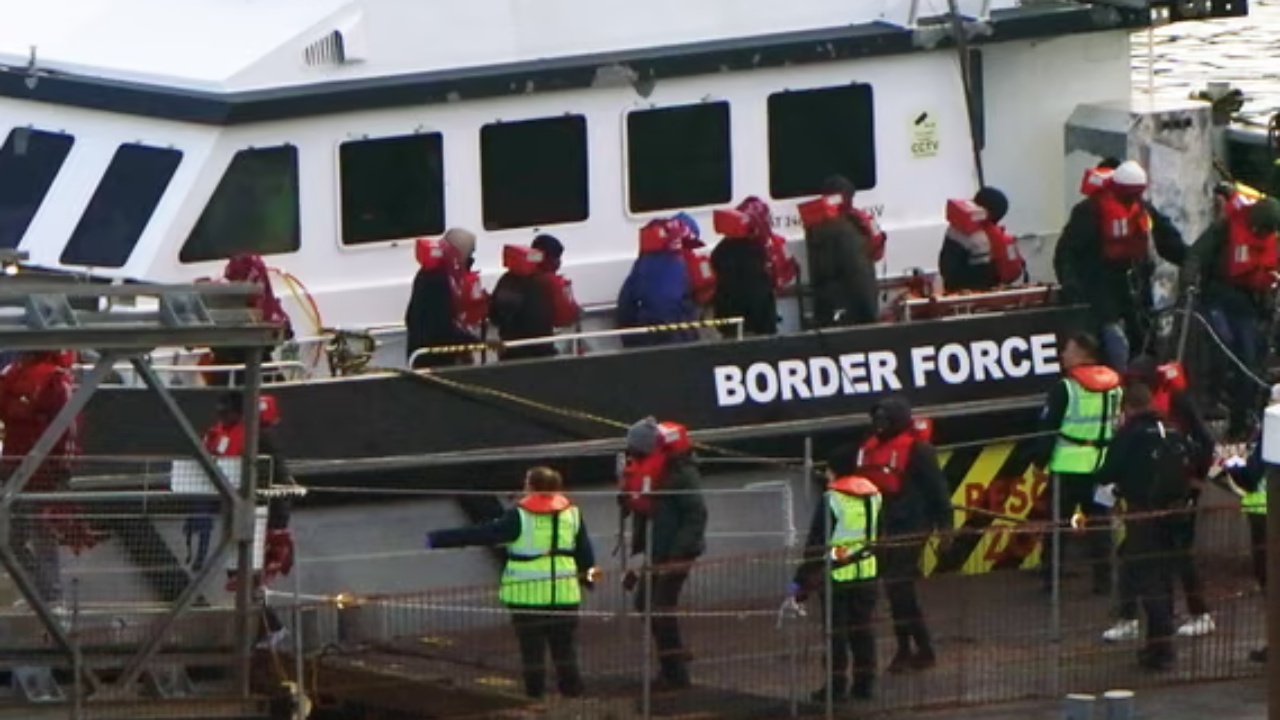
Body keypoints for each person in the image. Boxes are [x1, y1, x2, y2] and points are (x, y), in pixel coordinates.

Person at [426, 466, 597, 700]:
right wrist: (588, 580)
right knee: (564, 648)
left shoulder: (519, 516)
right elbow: (585, 552)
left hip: (527, 594)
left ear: (532, 487)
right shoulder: (572, 514)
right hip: (564, 592)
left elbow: (483, 533)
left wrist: (437, 539)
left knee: (532, 650)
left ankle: (534, 697)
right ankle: (573, 694)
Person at [1101, 356, 1215, 642]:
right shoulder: (1138, 418)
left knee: (1179, 554)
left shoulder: (1177, 400)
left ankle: (1199, 613)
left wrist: (1194, 481)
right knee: (1132, 555)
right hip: (1147, 496)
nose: (1134, 384)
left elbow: (1205, 441)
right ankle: (1129, 617)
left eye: (1139, 379)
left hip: (1179, 492)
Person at [1094, 383, 1195, 671]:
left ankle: (1162, 650)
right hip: (1174, 513)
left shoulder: (1131, 434)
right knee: (1163, 578)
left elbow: (1109, 470)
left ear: (1127, 408)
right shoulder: (1171, 430)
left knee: (1146, 578)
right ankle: (1157, 644)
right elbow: (1195, 457)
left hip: (1142, 514)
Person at [1054, 160, 1187, 372]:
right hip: (1100, 289)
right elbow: (1066, 252)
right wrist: (1071, 284)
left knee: (1144, 340)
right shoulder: (1090, 211)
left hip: (1135, 289)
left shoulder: (1142, 209)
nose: (1132, 198)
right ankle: (1118, 379)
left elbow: (1167, 239)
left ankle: (1140, 381)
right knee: (1114, 341)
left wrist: (1191, 261)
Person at [855, 396, 950, 672]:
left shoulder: (919, 451)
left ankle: (919, 649)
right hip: (882, 526)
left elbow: (938, 491)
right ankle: (909, 648)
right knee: (894, 588)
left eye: (885, 419)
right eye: (876, 419)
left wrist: (945, 528)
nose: (879, 424)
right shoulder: (869, 447)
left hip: (912, 526)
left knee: (899, 586)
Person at [199, 391, 296, 649]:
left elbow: (280, 478)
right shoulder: (222, 434)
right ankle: (267, 627)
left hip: (261, 515)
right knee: (238, 574)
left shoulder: (258, 438)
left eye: (226, 412)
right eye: (220, 412)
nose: (222, 416)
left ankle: (271, 628)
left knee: (247, 574)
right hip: (239, 513)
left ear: (239, 413)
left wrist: (278, 524)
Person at [1181, 191, 1280, 440]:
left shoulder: (1272, 239)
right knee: (1220, 343)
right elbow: (1198, 253)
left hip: (1249, 305)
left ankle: (1240, 421)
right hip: (1218, 296)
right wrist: (1189, 279)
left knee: (1248, 361)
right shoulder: (1227, 226)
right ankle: (1207, 402)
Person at [620, 417, 708, 690]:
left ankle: (675, 673)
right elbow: (646, 512)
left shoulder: (681, 473)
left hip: (676, 553)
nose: (631, 454)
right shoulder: (652, 471)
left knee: (660, 607)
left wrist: (678, 554)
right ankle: (673, 660)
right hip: (657, 549)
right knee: (645, 603)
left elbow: (696, 514)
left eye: (635, 449)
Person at [790, 444, 882, 704]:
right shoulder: (874, 495)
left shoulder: (832, 499)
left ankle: (836, 687)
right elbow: (879, 535)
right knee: (862, 630)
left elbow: (817, 543)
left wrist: (798, 584)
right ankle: (865, 685)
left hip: (837, 577)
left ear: (834, 470)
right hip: (867, 573)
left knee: (835, 634)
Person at [1033, 332, 1123, 595]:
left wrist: (1039, 463)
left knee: (1057, 527)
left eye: (1068, 350)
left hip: (1067, 469)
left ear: (1084, 354)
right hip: (1102, 468)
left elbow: (1048, 430)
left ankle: (1052, 582)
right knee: (1101, 525)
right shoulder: (1115, 388)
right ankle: (1104, 582)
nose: (1063, 355)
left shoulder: (1065, 388)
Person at [0, 351, 81, 607]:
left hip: (43, 473)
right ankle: (41, 590)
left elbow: (69, 427)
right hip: (15, 470)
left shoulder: (55, 379)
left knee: (42, 536)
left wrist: (62, 469)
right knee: (12, 539)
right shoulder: (14, 373)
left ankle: (52, 597)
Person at [1216, 388, 1276, 664]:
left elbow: (1252, 476)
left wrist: (1230, 466)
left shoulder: (1272, 430)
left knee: (1270, 581)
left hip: (1266, 515)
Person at [803, 175, 880, 328]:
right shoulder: (854, 224)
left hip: (833, 308)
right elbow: (859, 271)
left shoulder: (817, 226)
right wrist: (870, 312)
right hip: (857, 308)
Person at [404, 228, 487, 369]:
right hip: (435, 359)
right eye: (470, 252)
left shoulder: (427, 274)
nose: (471, 258)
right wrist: (470, 341)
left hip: (425, 354)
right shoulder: (438, 280)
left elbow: (410, 316)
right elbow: (441, 326)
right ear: (460, 252)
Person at [208, 253, 295, 386]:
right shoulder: (266, 307)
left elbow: (285, 333)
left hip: (245, 375)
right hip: (240, 375)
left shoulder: (265, 306)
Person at [490, 234, 577, 361]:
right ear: (549, 259)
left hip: (509, 352)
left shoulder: (507, 278)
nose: (559, 262)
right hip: (539, 355)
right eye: (557, 257)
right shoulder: (549, 283)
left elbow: (494, 316)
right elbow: (563, 318)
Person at [616, 218, 699, 348]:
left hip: (647, 336)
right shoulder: (682, 263)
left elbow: (625, 304)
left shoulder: (642, 265)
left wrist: (629, 339)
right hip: (678, 337)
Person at [711, 197, 780, 337]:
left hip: (730, 324)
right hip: (756, 326)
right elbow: (757, 294)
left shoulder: (720, 251)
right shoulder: (756, 251)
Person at [938, 187, 1026, 292]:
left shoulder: (959, 231)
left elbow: (947, 271)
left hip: (966, 294)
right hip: (995, 290)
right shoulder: (1000, 235)